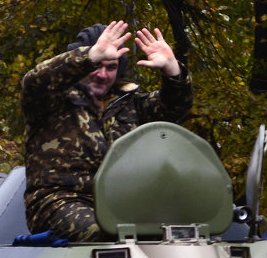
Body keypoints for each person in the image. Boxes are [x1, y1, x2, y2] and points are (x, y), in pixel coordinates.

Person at [21, 20, 193, 241]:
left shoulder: (130, 105)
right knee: (101, 233)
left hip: (123, 204)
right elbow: (34, 81)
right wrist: (89, 56)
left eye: (111, 67)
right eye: (96, 66)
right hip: (60, 200)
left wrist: (173, 71)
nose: (102, 75)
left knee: (182, 235)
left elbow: (175, 108)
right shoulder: (51, 100)